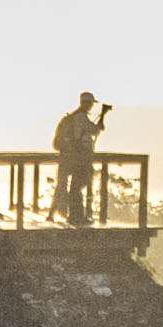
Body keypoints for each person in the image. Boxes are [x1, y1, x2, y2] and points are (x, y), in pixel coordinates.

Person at [52, 91, 111, 226]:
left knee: (75, 186)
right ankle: (76, 216)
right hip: (80, 156)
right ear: (87, 103)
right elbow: (96, 130)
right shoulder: (81, 118)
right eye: (90, 104)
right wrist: (103, 115)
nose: (91, 107)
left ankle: (74, 215)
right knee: (78, 186)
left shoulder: (74, 117)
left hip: (72, 156)